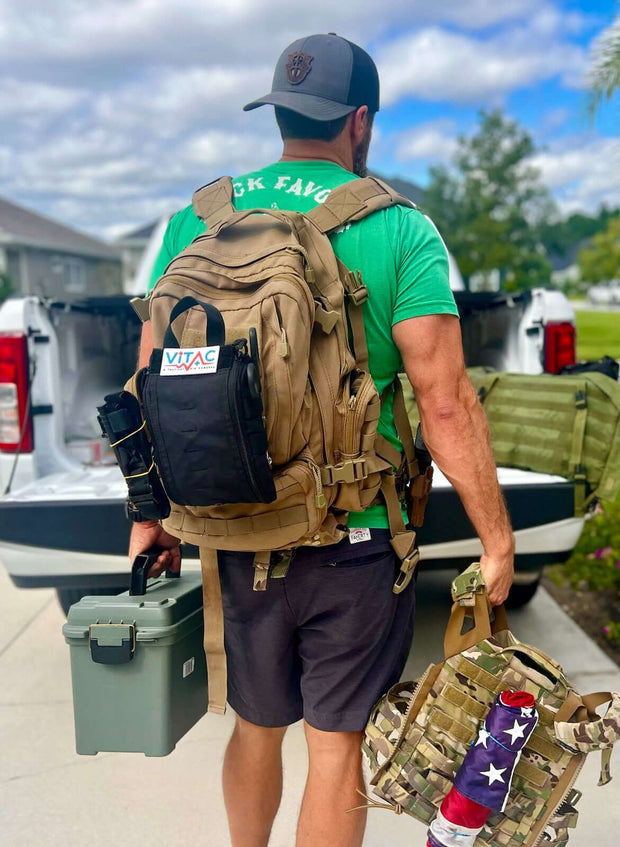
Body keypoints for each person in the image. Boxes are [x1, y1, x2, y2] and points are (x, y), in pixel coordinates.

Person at [129, 33, 514, 847]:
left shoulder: (197, 221)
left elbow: (151, 389)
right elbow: (445, 402)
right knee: (334, 747)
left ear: (279, 115)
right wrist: (495, 535)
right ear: (360, 121)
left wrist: (149, 515)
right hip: (357, 535)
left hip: (237, 525)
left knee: (255, 725)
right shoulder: (400, 226)